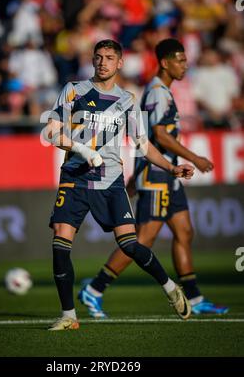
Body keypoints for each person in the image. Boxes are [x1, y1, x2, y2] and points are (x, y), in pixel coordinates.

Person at [43, 39, 194, 331]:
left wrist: (172, 166)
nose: (102, 62)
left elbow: (143, 145)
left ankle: (170, 287)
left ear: (120, 63)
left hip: (110, 181)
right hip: (74, 178)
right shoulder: (73, 90)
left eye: (109, 58)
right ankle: (69, 316)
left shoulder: (127, 99)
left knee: (130, 245)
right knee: (60, 243)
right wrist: (85, 151)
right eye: (98, 57)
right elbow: (51, 132)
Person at [78, 38, 229, 318]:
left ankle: (194, 299)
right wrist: (194, 158)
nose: (184, 65)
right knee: (141, 241)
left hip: (166, 177)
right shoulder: (157, 93)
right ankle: (95, 289)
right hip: (157, 176)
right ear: (165, 62)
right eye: (180, 60)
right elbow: (157, 135)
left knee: (184, 231)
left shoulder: (164, 91)